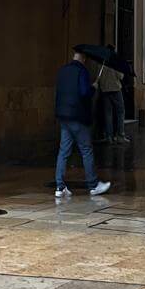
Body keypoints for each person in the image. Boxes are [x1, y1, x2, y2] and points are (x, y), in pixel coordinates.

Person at [54, 49, 111, 199]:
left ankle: (60, 187)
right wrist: (94, 87)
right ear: (84, 58)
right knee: (86, 150)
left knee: (63, 151)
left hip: (63, 115)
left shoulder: (63, 70)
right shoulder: (82, 71)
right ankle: (93, 185)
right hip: (77, 116)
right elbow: (84, 93)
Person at [97, 48, 128, 145]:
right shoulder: (115, 62)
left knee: (108, 113)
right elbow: (121, 76)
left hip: (105, 90)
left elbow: (98, 76)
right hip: (115, 90)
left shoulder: (101, 63)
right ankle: (120, 136)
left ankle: (108, 137)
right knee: (120, 112)